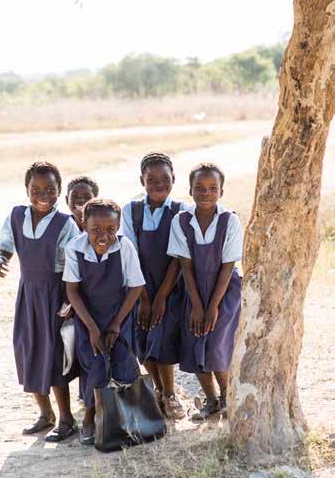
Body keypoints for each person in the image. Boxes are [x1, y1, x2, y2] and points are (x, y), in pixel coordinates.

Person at [0, 161, 80, 441]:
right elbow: (5, 245)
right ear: (26, 190)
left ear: (59, 191)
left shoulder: (65, 223)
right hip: (28, 294)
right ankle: (45, 414)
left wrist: (69, 300)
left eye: (50, 189)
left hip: (54, 296)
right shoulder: (17, 216)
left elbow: (74, 266)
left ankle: (66, 419)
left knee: (54, 356)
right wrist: (1, 257)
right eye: (36, 189)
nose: (43, 194)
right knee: (27, 350)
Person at [63, 198, 145, 445]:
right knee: (95, 366)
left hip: (119, 314)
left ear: (118, 226)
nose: (103, 236)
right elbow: (72, 291)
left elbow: (136, 286)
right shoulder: (74, 248)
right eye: (96, 230)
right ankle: (90, 416)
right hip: (89, 316)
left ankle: (131, 420)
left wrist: (116, 324)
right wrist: (91, 328)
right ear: (83, 225)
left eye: (110, 229)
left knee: (123, 363)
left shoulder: (125, 247)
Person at [167, 162, 243, 419]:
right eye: (199, 187)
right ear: (190, 190)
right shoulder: (182, 220)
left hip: (224, 291)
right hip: (194, 289)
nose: (206, 193)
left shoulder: (229, 220)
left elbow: (227, 266)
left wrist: (212, 307)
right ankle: (210, 400)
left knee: (217, 346)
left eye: (213, 188)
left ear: (221, 191)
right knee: (196, 341)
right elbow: (185, 266)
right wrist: (198, 306)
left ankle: (227, 397)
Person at [120, 152, 186, 420]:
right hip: (138, 285)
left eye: (165, 179)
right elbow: (130, 253)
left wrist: (159, 299)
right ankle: (158, 389)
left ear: (174, 180)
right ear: (141, 181)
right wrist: (145, 298)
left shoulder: (181, 211)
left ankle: (170, 393)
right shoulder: (131, 211)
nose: (159, 184)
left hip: (170, 286)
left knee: (163, 337)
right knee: (142, 337)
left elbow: (179, 258)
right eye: (152, 179)